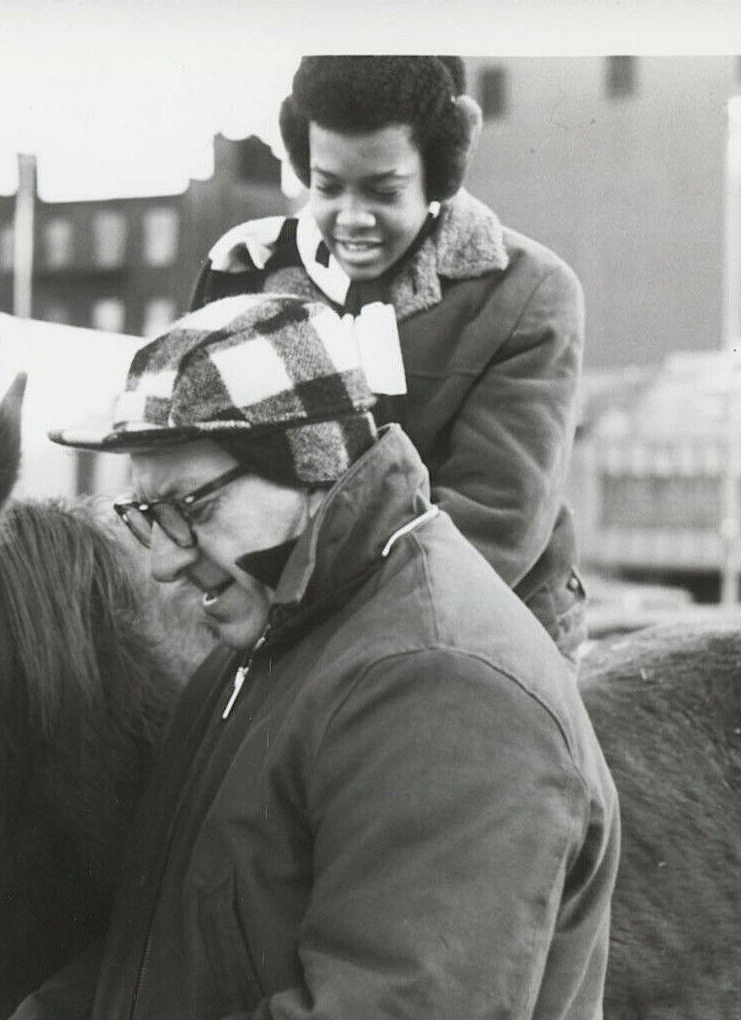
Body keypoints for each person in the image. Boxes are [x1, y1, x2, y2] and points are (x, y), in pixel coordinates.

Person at [0, 295, 618, 1020]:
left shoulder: (442, 686)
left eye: (191, 509)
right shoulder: (277, 640)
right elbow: (176, 933)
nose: (161, 563)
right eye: (146, 516)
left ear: (316, 466)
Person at [193, 55, 589, 659]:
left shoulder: (531, 291)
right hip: (285, 623)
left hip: (485, 622)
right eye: (327, 187)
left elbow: (497, 523)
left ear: (441, 172)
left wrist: (320, 629)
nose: (351, 219)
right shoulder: (246, 274)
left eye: (383, 191)